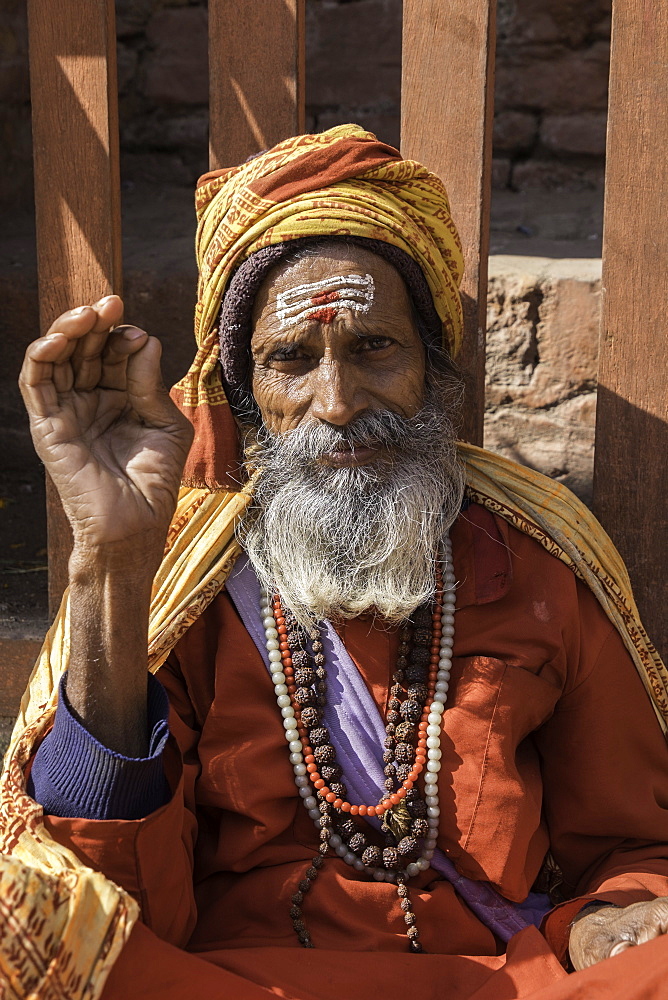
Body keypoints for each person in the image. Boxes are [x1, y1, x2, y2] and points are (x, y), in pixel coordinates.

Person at [3, 125, 668, 1000]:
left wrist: (609, 916)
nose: (338, 402)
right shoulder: (182, 585)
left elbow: (633, 844)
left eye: (373, 349)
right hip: (237, 985)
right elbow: (101, 884)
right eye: (291, 360)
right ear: (246, 397)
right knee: (25, 927)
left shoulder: (538, 558)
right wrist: (114, 557)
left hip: (510, 984)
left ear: (433, 369)